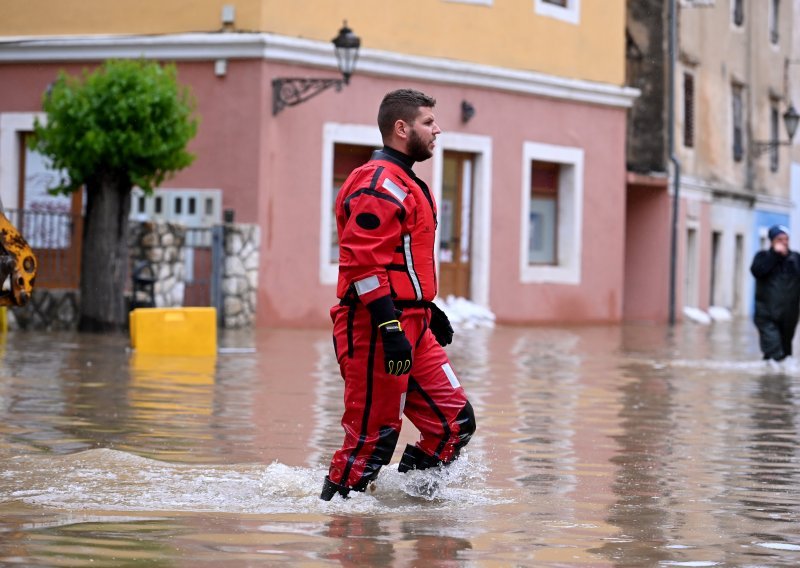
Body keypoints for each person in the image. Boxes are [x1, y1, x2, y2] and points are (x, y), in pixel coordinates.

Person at [320, 89, 476, 500]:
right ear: (401, 128)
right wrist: (391, 326)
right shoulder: (378, 183)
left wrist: (427, 307)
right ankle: (342, 530)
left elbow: (399, 260)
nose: (437, 129)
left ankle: (411, 511)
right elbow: (362, 264)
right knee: (371, 442)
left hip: (412, 323)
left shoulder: (407, 181)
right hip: (375, 326)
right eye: (429, 122)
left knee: (453, 425)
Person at [750, 224, 800, 368]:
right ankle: (772, 382)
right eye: (780, 239)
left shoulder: (795, 259)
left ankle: (773, 386)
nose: (784, 242)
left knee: (785, 353)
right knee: (775, 353)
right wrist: (774, 255)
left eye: (786, 239)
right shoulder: (762, 257)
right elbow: (758, 271)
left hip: (789, 316)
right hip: (767, 316)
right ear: (772, 241)